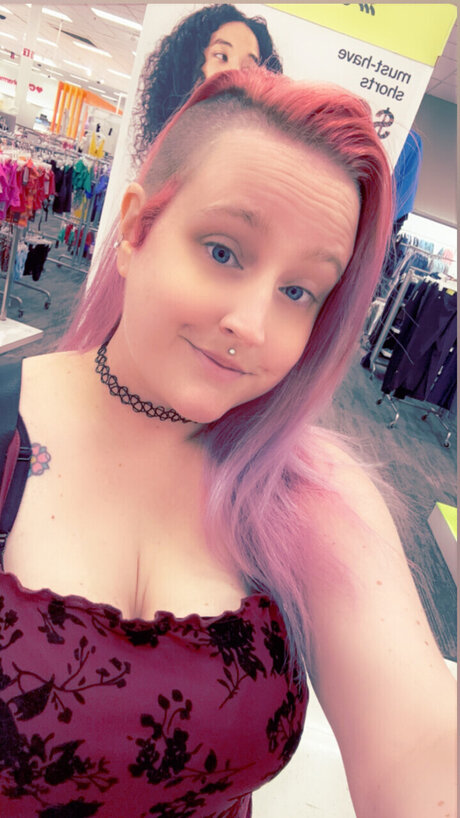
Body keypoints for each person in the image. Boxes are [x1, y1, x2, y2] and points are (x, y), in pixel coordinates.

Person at [0, 68, 455, 818]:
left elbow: (418, 744)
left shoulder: (311, 497)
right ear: (137, 230)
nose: (253, 323)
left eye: (298, 291)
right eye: (223, 251)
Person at [132, 3, 282, 164]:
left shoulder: (253, 161)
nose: (234, 72)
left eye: (248, 68)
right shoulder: (166, 160)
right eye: (222, 56)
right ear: (190, 65)